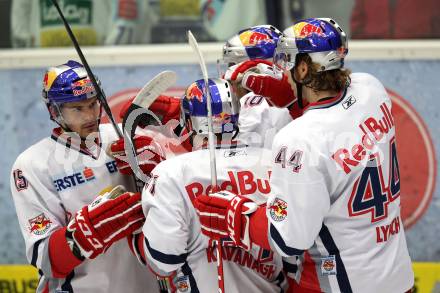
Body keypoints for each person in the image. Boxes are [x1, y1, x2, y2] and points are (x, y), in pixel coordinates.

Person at [195, 18, 414, 292]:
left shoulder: (298, 140)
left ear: (302, 68)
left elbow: (289, 238)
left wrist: (238, 216)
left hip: (342, 284)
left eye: (285, 65)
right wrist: (293, 104)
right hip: (397, 274)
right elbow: (334, 133)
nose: (281, 74)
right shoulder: (372, 90)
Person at [127, 78, 295, 292]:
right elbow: (295, 244)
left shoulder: (171, 173)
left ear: (188, 120)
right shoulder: (275, 163)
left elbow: (163, 260)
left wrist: (136, 235)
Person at [10, 60, 159, 293]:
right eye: (77, 108)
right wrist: (89, 230)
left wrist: (155, 172)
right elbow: (46, 260)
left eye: (93, 104)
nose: (90, 115)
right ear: (54, 111)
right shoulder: (31, 165)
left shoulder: (127, 137)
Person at [219, 24, 293, 148]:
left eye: (232, 64)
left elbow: (241, 150)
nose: (227, 73)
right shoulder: (287, 94)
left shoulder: (255, 101)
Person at [10, 0, 156, 47]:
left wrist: (107, 56)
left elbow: (128, 22)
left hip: (102, 70)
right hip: (40, 70)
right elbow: (20, 22)